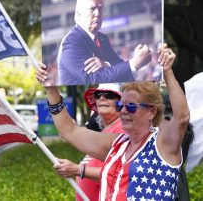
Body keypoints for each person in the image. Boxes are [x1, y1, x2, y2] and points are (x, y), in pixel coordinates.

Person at [37, 43, 190, 200]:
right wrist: (51, 89)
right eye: (119, 105)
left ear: (151, 112)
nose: (122, 111)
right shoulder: (118, 143)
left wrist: (168, 72)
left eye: (130, 106)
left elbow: (182, 118)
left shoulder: (162, 143)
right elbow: (68, 130)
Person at [57, 0, 152, 85]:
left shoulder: (102, 38)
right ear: (78, 14)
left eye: (100, 8)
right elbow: (94, 79)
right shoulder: (72, 42)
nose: (98, 13)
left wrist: (106, 64)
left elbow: (118, 63)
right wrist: (133, 64)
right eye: (92, 9)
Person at [54, 83, 125, 201]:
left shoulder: (121, 129)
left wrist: (77, 169)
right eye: (98, 95)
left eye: (109, 95)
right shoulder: (105, 131)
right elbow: (66, 130)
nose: (102, 98)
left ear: (121, 103)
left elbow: (120, 172)